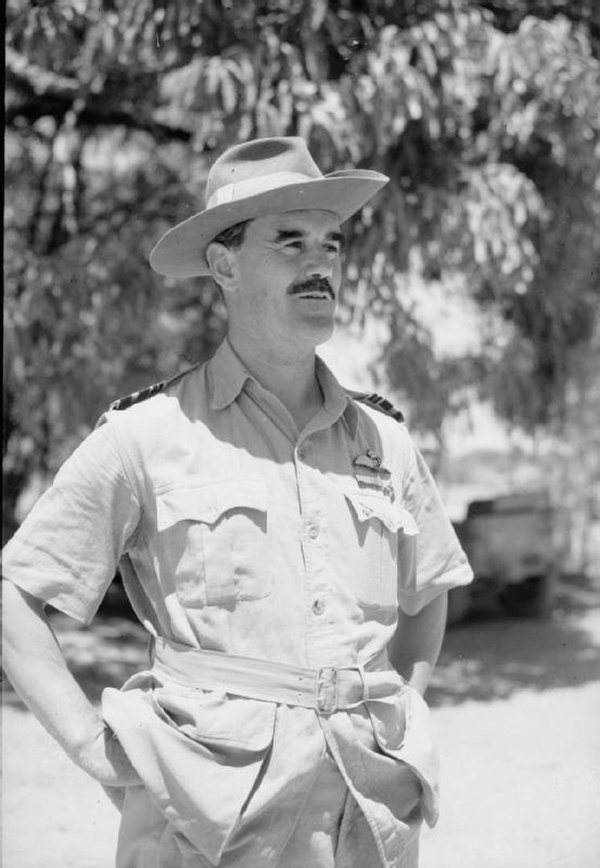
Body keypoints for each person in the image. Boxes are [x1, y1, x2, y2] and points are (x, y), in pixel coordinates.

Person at [2, 136, 473, 868]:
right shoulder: (148, 436)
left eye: (332, 243)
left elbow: (429, 588)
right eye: (291, 242)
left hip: (365, 822)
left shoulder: (384, 441)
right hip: (206, 825)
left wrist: (402, 709)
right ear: (223, 264)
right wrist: (95, 750)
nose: (321, 263)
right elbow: (18, 597)